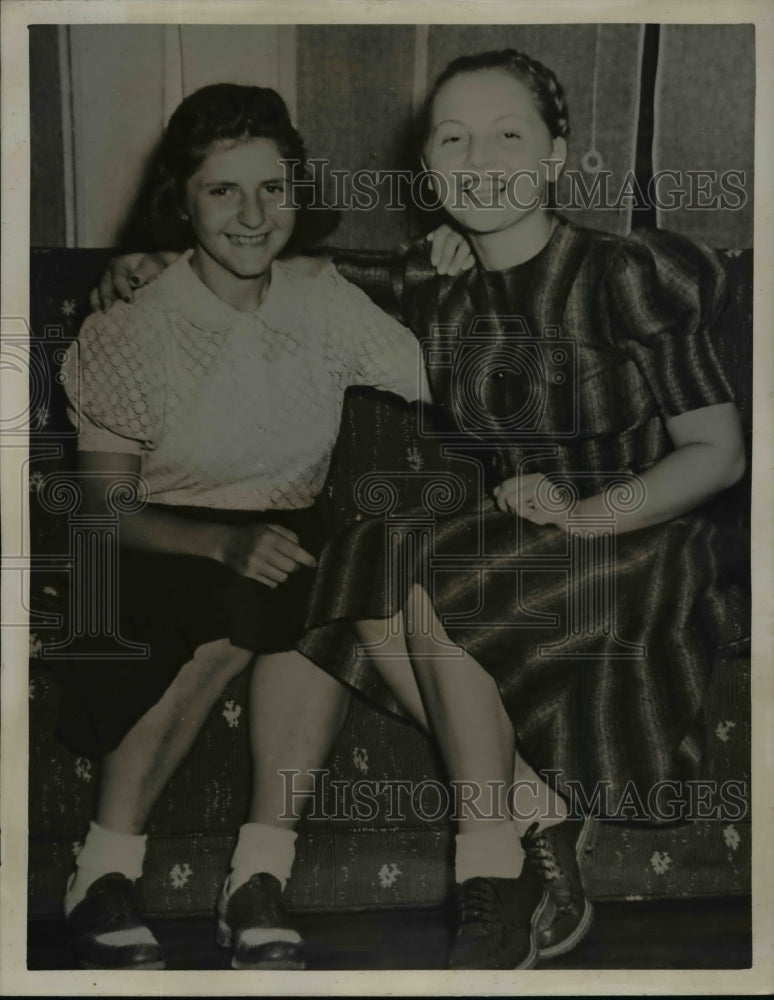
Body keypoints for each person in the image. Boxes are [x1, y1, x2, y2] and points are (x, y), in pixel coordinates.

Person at [96, 49, 746, 971]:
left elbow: (719, 453)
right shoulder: (428, 279)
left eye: (508, 135)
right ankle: (532, 809)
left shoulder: (628, 272)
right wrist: (159, 258)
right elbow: (279, 264)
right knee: (363, 558)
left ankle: (487, 866)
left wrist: (587, 514)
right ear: (429, 166)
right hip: (522, 541)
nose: (479, 159)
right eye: (453, 139)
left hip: (648, 537)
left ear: (557, 154)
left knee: (440, 576)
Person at [58, 82, 438, 972]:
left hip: (281, 538)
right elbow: (102, 511)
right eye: (223, 190)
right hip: (151, 540)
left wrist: (452, 253)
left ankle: (258, 878)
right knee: (246, 595)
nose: (254, 214)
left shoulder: (322, 299)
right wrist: (222, 543)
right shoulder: (132, 324)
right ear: (182, 201)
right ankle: (102, 872)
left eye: (273, 188)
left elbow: (436, 370)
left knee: (321, 588)